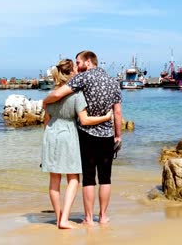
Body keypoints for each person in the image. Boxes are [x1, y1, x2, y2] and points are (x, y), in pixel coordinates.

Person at [42, 51, 122, 226]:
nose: (77, 66)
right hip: (107, 135)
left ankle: (88, 218)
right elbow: (117, 112)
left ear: (88, 62)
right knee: (105, 178)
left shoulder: (83, 79)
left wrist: (44, 102)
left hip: (86, 135)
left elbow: (57, 95)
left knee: (88, 178)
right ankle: (103, 217)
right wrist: (118, 135)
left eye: (78, 62)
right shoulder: (114, 82)